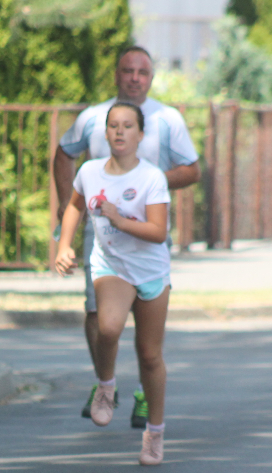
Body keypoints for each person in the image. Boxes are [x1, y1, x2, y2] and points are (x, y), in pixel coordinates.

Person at [53, 46, 199, 429]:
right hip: (101, 235)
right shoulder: (91, 117)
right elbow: (64, 154)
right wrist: (67, 206)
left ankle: (145, 396)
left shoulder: (167, 119)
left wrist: (144, 185)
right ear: (116, 74)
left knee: (149, 346)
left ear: (151, 79)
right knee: (98, 316)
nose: (135, 78)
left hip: (148, 239)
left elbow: (192, 170)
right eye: (128, 70)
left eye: (143, 72)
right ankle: (106, 382)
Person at [55, 103, 172, 466]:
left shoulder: (152, 178)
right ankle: (106, 386)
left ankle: (154, 432)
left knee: (149, 355)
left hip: (151, 271)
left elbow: (158, 232)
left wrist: (119, 220)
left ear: (140, 134)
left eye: (128, 126)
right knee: (107, 328)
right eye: (114, 126)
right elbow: (74, 205)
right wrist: (64, 245)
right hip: (111, 265)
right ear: (105, 134)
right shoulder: (90, 171)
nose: (120, 132)